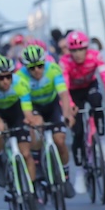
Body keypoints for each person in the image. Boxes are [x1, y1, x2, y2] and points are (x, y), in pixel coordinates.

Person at [0, 55, 45, 210]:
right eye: (1, 78)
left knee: (26, 154)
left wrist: (31, 122)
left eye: (8, 76)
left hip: (16, 112)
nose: (5, 81)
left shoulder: (20, 83)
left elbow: (27, 112)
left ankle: (32, 193)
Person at [59, 30, 105, 195]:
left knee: (96, 100)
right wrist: (70, 105)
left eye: (81, 49)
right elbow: (63, 88)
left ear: (87, 48)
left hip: (89, 87)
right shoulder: (64, 62)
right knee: (78, 132)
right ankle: (79, 173)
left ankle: (102, 141)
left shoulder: (95, 56)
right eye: (74, 50)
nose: (78, 54)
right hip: (73, 93)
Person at [19, 44, 76, 199]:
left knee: (60, 140)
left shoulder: (53, 69)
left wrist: (67, 114)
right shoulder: (21, 77)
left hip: (52, 105)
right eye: (32, 68)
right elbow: (24, 103)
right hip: (34, 106)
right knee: (36, 128)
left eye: (40, 66)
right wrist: (30, 119)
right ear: (26, 68)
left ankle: (65, 176)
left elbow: (63, 94)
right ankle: (37, 163)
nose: (37, 70)